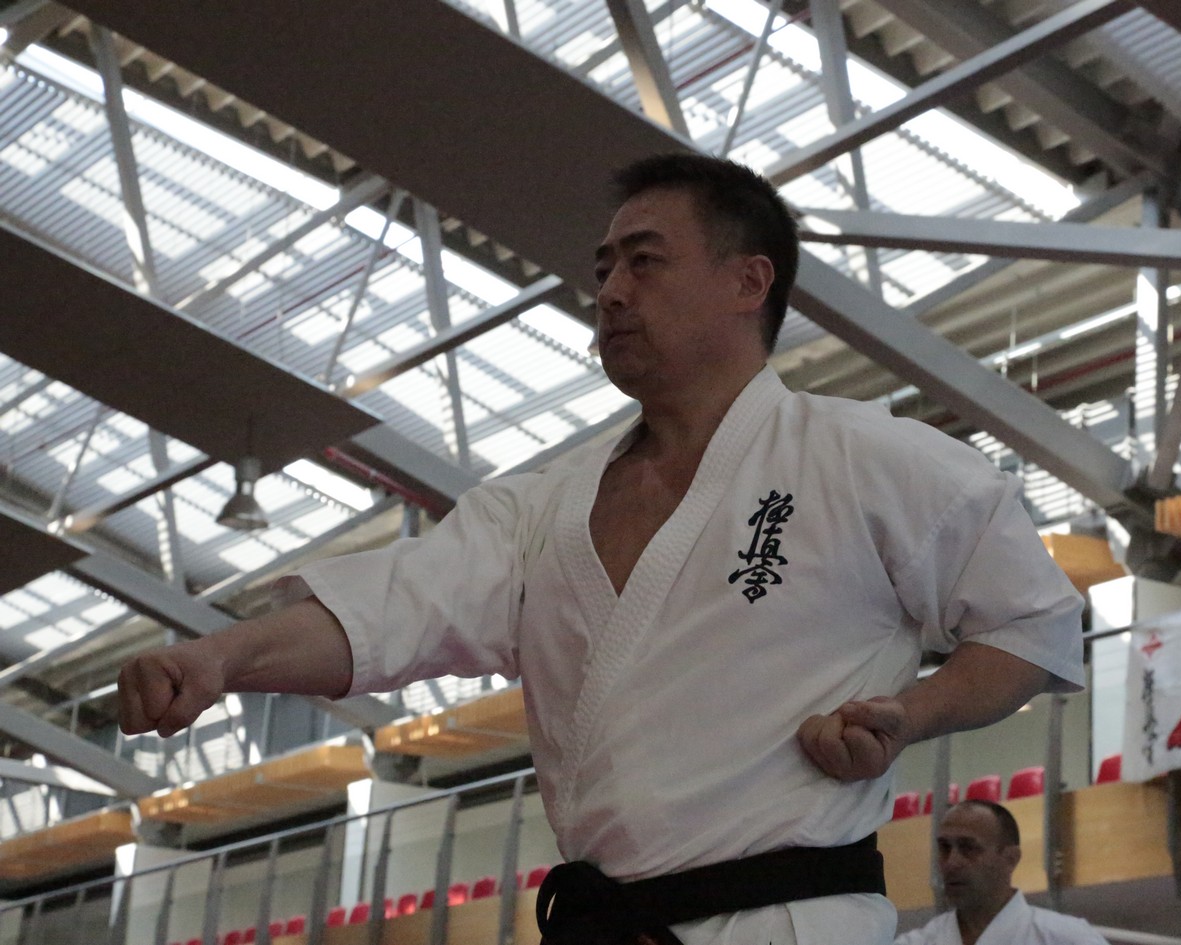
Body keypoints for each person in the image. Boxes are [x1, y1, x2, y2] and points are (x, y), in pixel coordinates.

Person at [117, 153, 1085, 945]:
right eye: (604, 268)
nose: (611, 292)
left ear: (748, 281)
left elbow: (1033, 626)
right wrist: (221, 658)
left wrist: (909, 715)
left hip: (788, 920)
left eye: (644, 262)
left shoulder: (868, 458)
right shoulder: (543, 505)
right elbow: (390, 609)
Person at [896, 801, 1108, 945]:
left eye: (968, 848)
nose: (951, 862)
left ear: (1011, 858)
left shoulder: (1068, 938)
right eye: (944, 848)